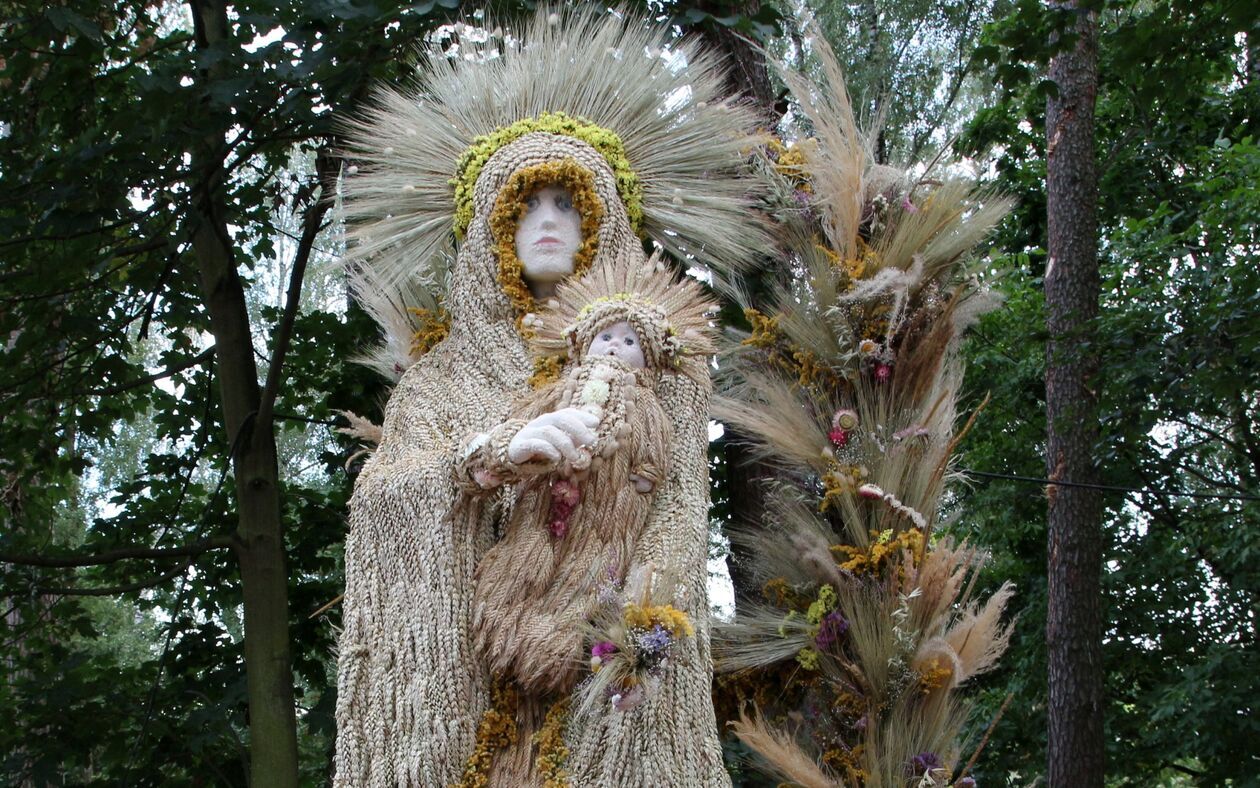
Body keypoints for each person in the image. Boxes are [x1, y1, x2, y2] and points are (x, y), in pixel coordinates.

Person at [334, 8, 767, 786]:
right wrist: (485, 459)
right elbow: (382, 500)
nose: (546, 222)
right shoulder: (440, 377)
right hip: (478, 683)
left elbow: (677, 515)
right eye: (526, 205)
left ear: (603, 221)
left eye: (568, 203)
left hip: (606, 677)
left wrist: (637, 630)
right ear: (490, 231)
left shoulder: (665, 372)